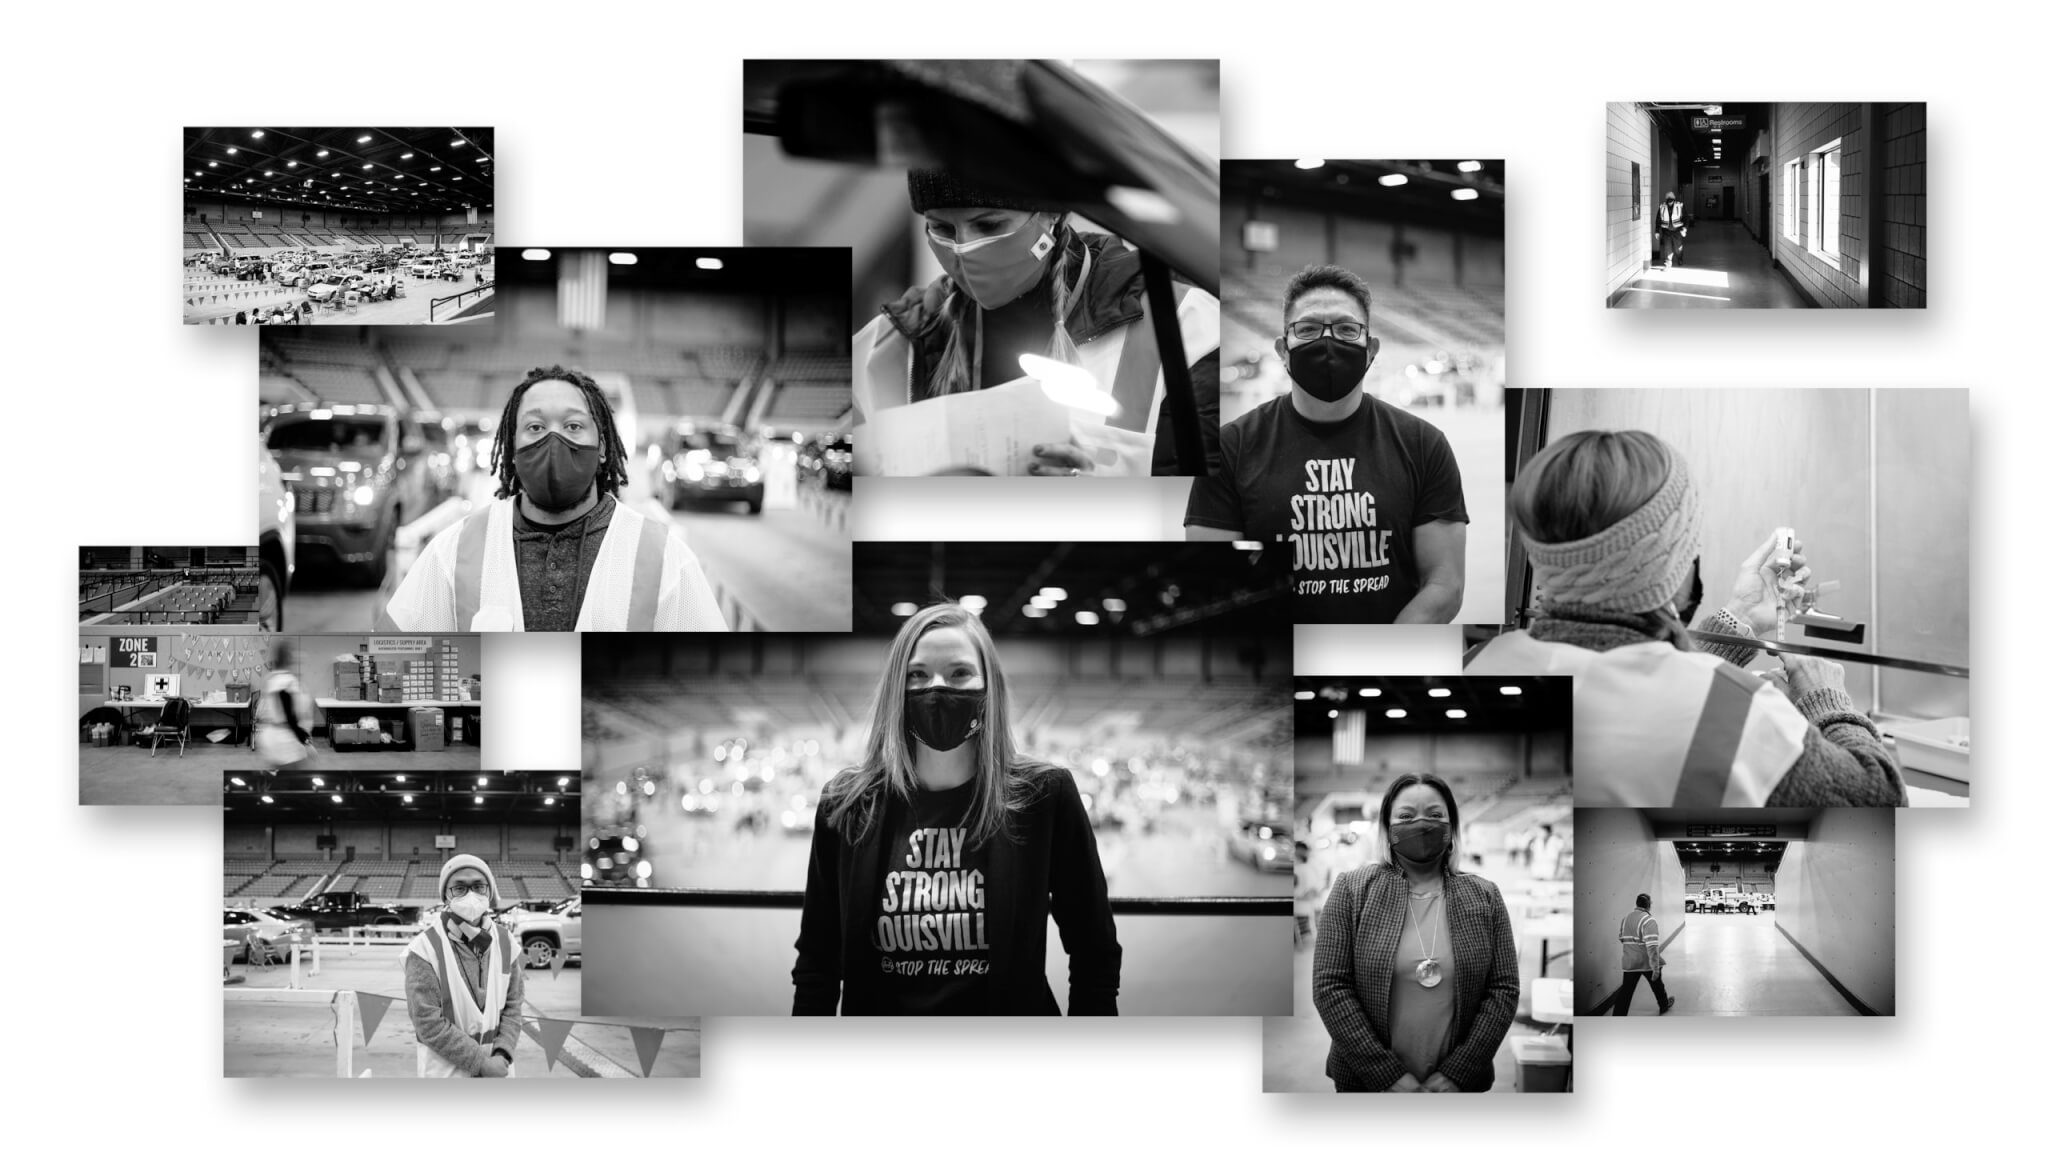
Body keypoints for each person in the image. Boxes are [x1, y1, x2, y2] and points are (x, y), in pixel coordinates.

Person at [1464, 430, 1904, 806]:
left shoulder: (1477, 662)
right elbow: (1879, 798)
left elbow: (1637, 693)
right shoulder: (1737, 714)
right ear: (1669, 560)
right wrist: (1826, 700)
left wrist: (1736, 623)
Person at [793, 603, 1121, 1015]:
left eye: (959, 673)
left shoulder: (1044, 797)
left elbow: (1095, 950)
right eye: (917, 674)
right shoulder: (845, 804)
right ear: (896, 687)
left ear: (989, 688)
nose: (937, 689)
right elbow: (817, 964)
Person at [850, 169, 1221, 477]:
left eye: (989, 224)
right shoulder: (882, 347)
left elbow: (1209, 512)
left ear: (1052, 216)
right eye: (943, 230)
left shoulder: (1185, 325)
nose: (964, 248)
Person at [1186, 264, 1468, 624]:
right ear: (1283, 349)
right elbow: (1216, 580)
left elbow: (1445, 583)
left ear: (1371, 349)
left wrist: (1378, 659)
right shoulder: (1229, 447)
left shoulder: (1424, 444)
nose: (1328, 341)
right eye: (1307, 329)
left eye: (1348, 329)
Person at [380, 365, 728, 632]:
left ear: (603, 447)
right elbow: (392, 662)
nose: (554, 440)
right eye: (535, 427)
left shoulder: (665, 558)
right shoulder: (452, 551)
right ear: (513, 450)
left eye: (574, 426)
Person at [1312, 773, 1519, 1092]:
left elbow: (1503, 989)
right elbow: (1330, 986)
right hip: (1369, 1084)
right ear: (1386, 827)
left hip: (1456, 1086)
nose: (1422, 824)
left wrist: (1458, 1072)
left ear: (1452, 827)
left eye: (1435, 815)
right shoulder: (1352, 890)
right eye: (1406, 816)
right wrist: (1388, 1077)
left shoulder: (1485, 895)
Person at [403, 855, 524, 1077]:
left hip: (499, 1070)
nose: (470, 895)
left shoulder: (506, 942)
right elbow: (427, 1022)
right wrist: (481, 1063)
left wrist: (502, 1053)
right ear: (445, 895)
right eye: (459, 888)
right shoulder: (424, 950)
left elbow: (514, 1006)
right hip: (448, 1072)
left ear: (489, 891)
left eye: (479, 886)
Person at [251, 640, 315, 770]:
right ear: (287, 658)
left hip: (281, 738)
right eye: (292, 655)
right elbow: (289, 715)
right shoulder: (283, 681)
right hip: (285, 741)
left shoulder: (275, 679)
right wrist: (305, 741)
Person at [1615, 893, 1674, 1016]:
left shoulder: (1625, 919)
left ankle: (1618, 1017)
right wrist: (1656, 968)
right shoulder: (1648, 920)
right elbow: (1652, 947)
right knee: (1657, 986)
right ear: (1648, 905)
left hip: (1630, 962)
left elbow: (1621, 938)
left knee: (1625, 993)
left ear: (1637, 904)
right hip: (1646, 962)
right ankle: (1664, 1006)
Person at [1656, 192, 1690, 269]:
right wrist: (1657, 231)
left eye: (1671, 200)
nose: (1670, 202)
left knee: (1678, 248)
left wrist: (1685, 228)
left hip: (1677, 231)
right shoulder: (1662, 207)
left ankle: (1680, 258)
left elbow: (1686, 218)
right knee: (1667, 248)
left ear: (1674, 200)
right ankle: (1668, 263)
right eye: (1668, 200)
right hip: (1666, 231)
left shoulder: (1680, 205)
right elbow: (1658, 220)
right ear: (1666, 200)